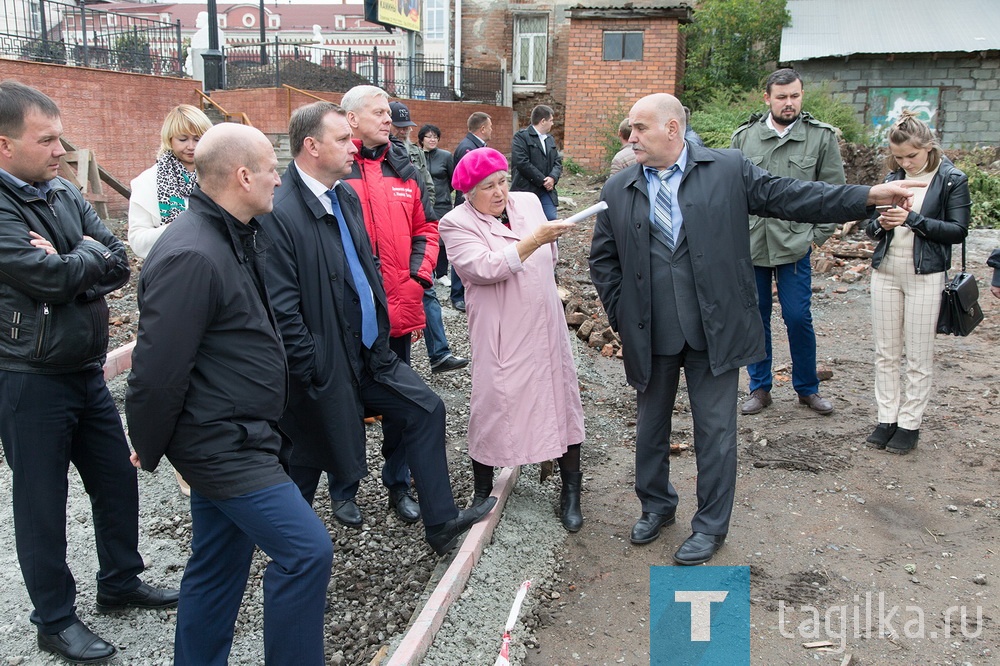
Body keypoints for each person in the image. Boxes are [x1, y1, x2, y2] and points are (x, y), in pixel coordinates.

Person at [589, 92, 925, 565]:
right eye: (630, 128)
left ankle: (709, 527)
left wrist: (867, 197)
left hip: (714, 328)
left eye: (640, 127)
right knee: (649, 429)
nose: (631, 136)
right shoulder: (618, 188)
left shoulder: (727, 169)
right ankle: (657, 505)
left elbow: (793, 196)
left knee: (716, 432)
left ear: (671, 128)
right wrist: (622, 315)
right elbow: (604, 262)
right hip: (651, 332)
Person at [125, 123, 333, 665]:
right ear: (243, 176)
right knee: (306, 551)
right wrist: (147, 445)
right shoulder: (192, 253)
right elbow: (156, 371)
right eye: (270, 167)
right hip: (221, 445)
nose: (278, 178)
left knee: (218, 563)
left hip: (246, 433)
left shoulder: (235, 236)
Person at [259, 101, 496, 557]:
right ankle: (289, 552)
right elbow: (283, 310)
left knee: (426, 408)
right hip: (323, 366)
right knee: (305, 461)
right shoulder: (281, 212)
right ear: (311, 147)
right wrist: (315, 368)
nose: (353, 145)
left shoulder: (341, 194)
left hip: (371, 353)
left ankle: (441, 523)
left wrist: (390, 314)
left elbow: (364, 268)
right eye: (341, 139)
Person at [0, 80, 177, 664]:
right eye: (46, 139)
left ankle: (120, 580)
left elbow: (117, 261)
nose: (60, 150)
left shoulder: (61, 191)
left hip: (85, 368)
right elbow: (44, 277)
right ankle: (53, 618)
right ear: (4, 145)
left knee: (116, 477)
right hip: (29, 375)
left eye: (60, 138)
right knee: (42, 504)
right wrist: (76, 262)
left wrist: (69, 259)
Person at [439, 148, 586, 531]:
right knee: (493, 403)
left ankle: (571, 491)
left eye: (503, 180)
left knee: (560, 399)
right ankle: (482, 491)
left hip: (543, 320)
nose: (500, 191)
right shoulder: (455, 223)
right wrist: (533, 241)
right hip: (501, 328)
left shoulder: (529, 202)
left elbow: (549, 259)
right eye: (488, 186)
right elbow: (483, 268)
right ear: (468, 192)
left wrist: (539, 243)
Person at [336, 85, 438, 526]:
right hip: (347, 318)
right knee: (344, 406)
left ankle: (398, 484)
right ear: (351, 119)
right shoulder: (335, 168)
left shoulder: (404, 167)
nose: (388, 119)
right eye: (378, 112)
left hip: (397, 311)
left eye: (387, 113)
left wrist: (417, 279)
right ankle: (345, 488)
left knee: (399, 407)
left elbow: (426, 229)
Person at [731, 69, 846, 417]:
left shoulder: (820, 138)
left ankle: (807, 390)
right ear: (767, 98)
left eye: (795, 96)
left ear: (801, 96)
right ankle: (759, 388)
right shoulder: (745, 138)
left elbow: (834, 191)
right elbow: (729, 192)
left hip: (795, 245)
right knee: (756, 318)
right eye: (781, 97)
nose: (789, 103)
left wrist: (817, 236)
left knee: (798, 318)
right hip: (752, 245)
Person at [863, 111, 970, 454]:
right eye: (899, 158)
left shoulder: (952, 178)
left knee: (918, 354)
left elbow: (958, 231)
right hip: (886, 271)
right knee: (886, 351)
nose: (906, 164)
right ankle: (887, 418)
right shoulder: (894, 177)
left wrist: (913, 219)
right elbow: (870, 228)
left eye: (912, 156)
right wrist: (884, 224)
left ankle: (910, 422)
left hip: (926, 275)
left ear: (929, 147)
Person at [389, 102, 468, 375]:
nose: (402, 132)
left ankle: (439, 354)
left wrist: (424, 218)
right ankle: (396, 369)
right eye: (398, 127)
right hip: (389, 239)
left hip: (414, 234)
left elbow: (428, 189)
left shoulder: (413, 153)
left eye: (406, 128)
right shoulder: (373, 157)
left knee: (427, 289)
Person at [128, 104, 213, 259]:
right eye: (183, 139)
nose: (191, 146)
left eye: (197, 139)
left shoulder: (219, 175)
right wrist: (182, 228)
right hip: (169, 267)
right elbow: (137, 241)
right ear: (169, 140)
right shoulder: (147, 182)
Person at [450, 111, 493, 311]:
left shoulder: (477, 146)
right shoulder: (468, 148)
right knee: (464, 250)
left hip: (476, 205)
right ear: (482, 128)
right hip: (467, 205)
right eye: (490, 126)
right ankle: (457, 294)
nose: (492, 130)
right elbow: (465, 181)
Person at [510, 104, 563, 221]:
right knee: (528, 223)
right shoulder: (521, 137)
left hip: (547, 191)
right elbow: (522, 162)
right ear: (543, 121)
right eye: (551, 120)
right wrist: (543, 180)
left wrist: (552, 178)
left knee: (551, 220)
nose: (553, 124)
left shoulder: (550, 139)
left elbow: (557, 162)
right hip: (526, 191)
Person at [419, 123, 455, 285]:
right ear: (422, 139)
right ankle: (426, 270)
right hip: (422, 202)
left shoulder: (446, 156)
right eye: (429, 136)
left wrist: (442, 193)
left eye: (435, 137)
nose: (433, 139)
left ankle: (441, 272)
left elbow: (453, 180)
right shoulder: (416, 155)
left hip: (442, 204)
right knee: (424, 237)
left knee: (442, 239)